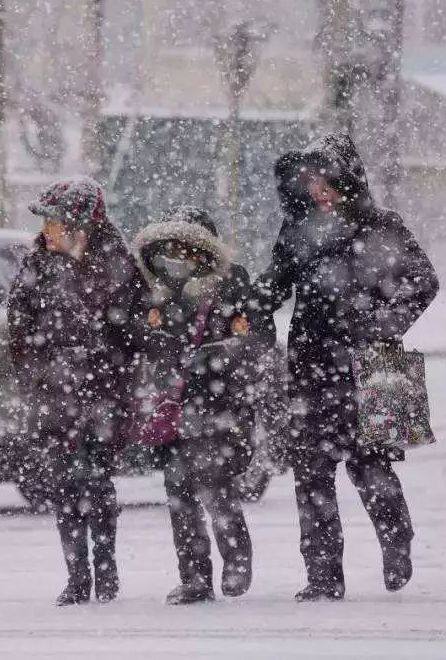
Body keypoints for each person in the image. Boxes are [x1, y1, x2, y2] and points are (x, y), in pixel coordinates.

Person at [250, 133, 439, 601]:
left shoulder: (381, 226)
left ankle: (397, 544)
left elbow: (423, 282)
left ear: (348, 179)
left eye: (326, 179)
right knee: (311, 474)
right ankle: (322, 576)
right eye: (311, 180)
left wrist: (379, 325)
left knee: (370, 467)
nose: (318, 189)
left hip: (375, 366)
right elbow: (273, 288)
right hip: (311, 367)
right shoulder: (297, 230)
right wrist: (243, 306)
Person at [7, 176, 146, 606]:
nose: (47, 230)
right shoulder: (36, 266)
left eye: (55, 221)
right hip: (56, 398)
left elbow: (136, 338)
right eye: (46, 222)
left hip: (103, 396)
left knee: (99, 484)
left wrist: (112, 377)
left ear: (81, 225)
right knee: (65, 488)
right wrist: (38, 378)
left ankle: (105, 574)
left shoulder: (118, 267)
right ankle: (77, 576)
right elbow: (19, 329)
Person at [131, 206, 266, 605]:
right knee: (178, 493)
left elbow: (256, 336)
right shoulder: (157, 288)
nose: (178, 256)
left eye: (187, 247)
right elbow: (142, 335)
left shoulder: (233, 283)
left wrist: (217, 356)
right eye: (172, 248)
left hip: (219, 403)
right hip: (173, 404)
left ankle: (237, 560)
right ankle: (194, 577)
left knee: (217, 488)